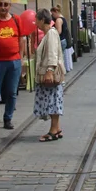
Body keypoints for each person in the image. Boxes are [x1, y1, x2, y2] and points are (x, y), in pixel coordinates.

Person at [0, 0, 26, 130]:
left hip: (14, 61)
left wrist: (21, 57)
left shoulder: (16, 19)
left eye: (6, 4)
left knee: (11, 91)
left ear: (10, 6)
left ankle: (7, 118)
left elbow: (21, 39)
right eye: (0, 4)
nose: (3, 7)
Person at [33, 9, 65, 141]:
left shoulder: (50, 33)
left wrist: (49, 71)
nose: (35, 23)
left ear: (42, 20)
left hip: (49, 73)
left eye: (36, 20)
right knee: (54, 100)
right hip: (49, 72)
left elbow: (52, 53)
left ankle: (53, 130)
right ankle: (56, 128)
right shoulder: (49, 33)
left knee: (51, 101)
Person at [52, 6, 74, 73]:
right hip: (64, 40)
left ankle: (61, 72)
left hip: (60, 40)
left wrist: (53, 32)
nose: (53, 16)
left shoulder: (58, 20)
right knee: (62, 57)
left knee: (60, 58)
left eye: (53, 14)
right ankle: (63, 71)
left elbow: (59, 31)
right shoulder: (63, 18)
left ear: (56, 12)